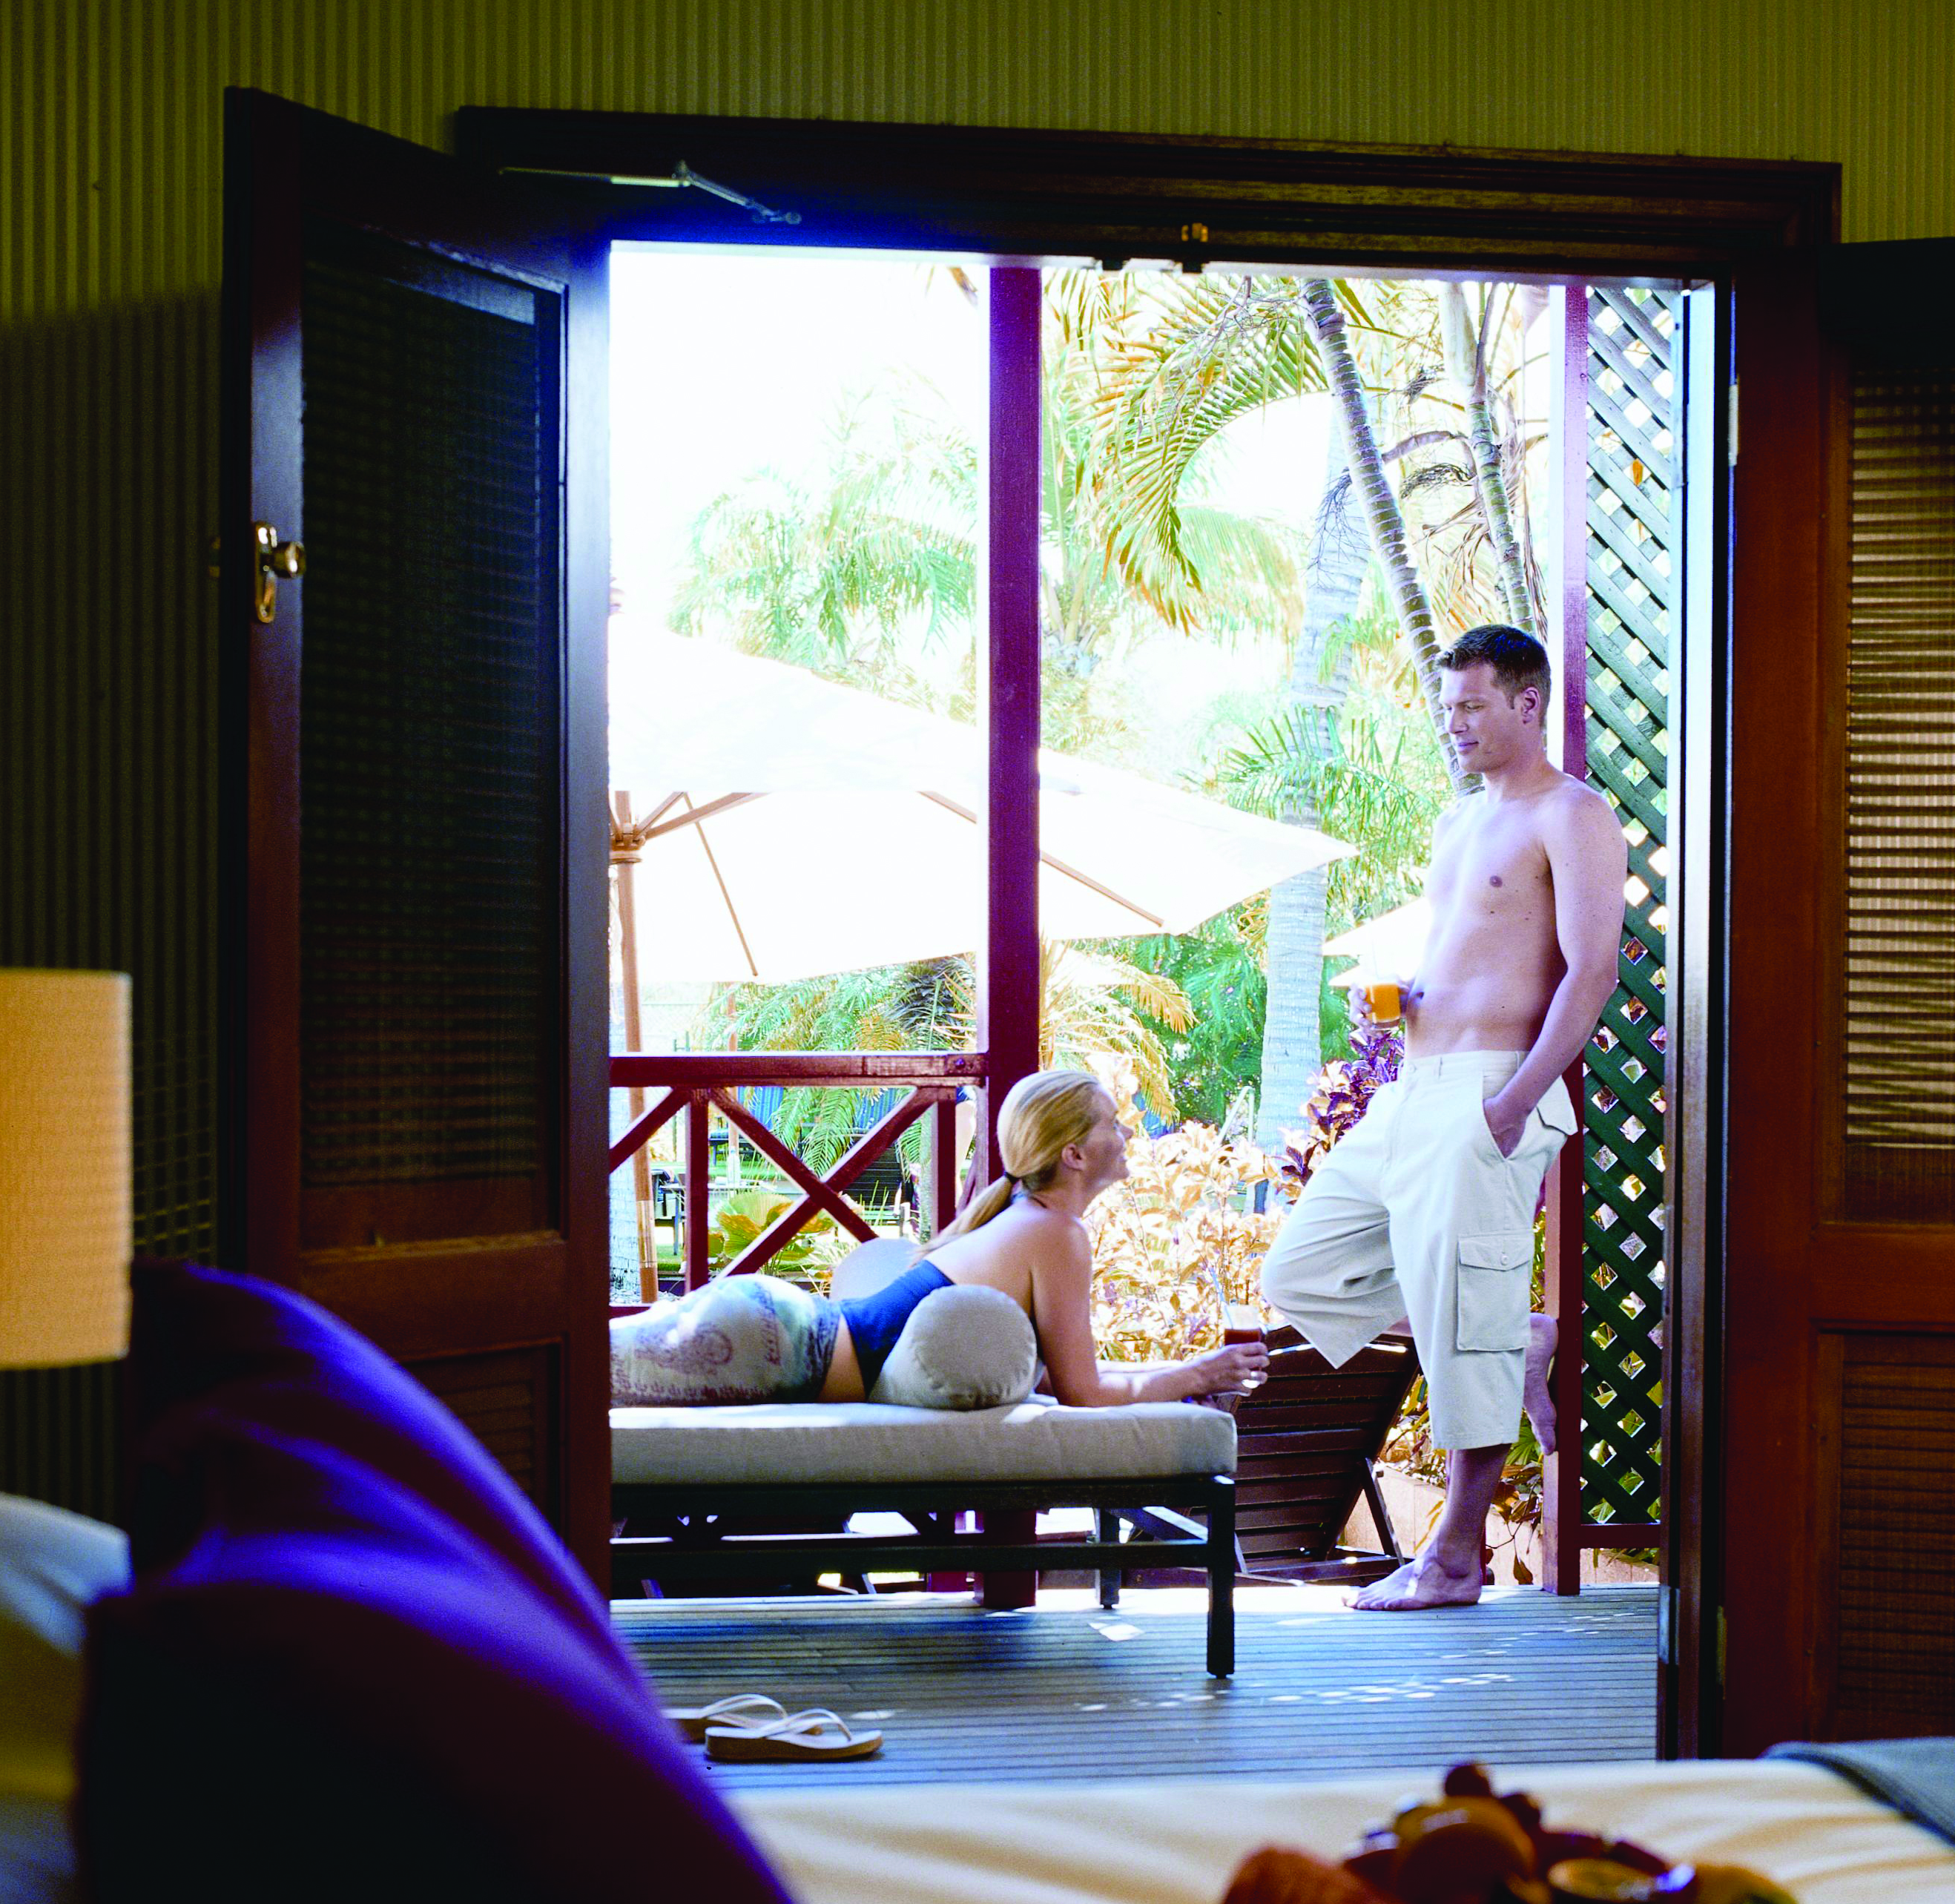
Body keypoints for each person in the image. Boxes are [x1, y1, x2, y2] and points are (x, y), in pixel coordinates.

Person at [1262, 624, 1627, 1610]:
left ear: (1524, 703)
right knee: (1298, 1270)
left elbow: (1592, 968)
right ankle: (1516, 1336)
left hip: (1491, 1088)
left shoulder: (1572, 814)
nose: (1452, 722)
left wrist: (1514, 1099)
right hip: (1413, 1087)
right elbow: (1468, 948)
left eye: (1471, 705)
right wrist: (1408, 995)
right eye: (1446, 704)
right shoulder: (1456, 823)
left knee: (1465, 1331)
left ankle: (1453, 1558)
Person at [611, 1066, 1268, 1409]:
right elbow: (1085, 1394)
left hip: (780, 1329)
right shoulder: (1056, 1232)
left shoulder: (1025, 1219)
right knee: (572, 1378)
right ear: (1072, 1154)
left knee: (579, 1369)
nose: (1125, 1136)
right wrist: (1196, 1372)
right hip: (786, 1346)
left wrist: (1183, 1376)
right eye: (1111, 1124)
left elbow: (1075, 1381)